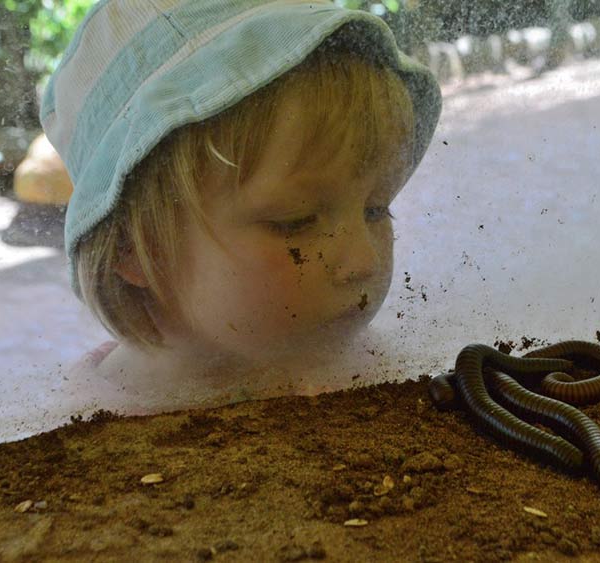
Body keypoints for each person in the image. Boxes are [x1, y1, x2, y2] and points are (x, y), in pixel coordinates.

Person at [41, 0, 441, 410]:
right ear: (135, 249)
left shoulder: (373, 370)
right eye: (295, 221)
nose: (364, 261)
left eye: (376, 209)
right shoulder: (92, 428)